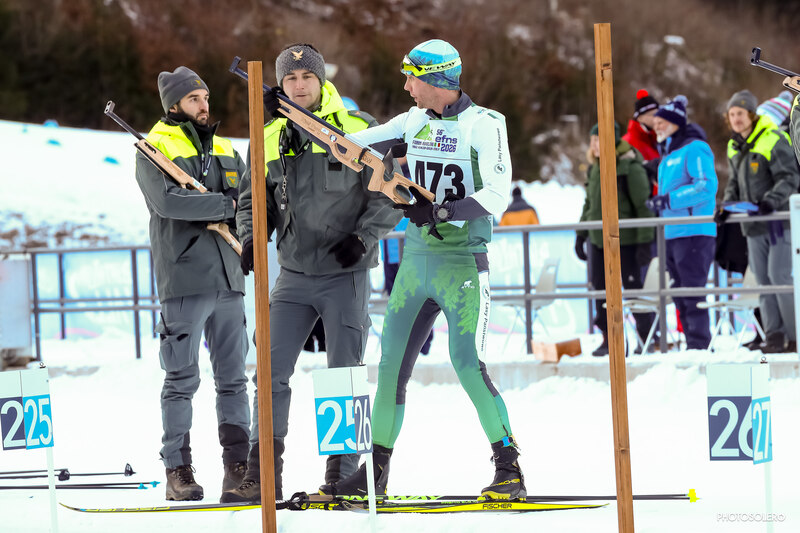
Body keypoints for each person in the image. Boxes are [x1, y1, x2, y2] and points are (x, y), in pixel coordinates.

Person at [319, 38, 525, 501]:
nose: (407, 87)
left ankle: (509, 468)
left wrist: (443, 211)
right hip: (416, 263)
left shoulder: (484, 124)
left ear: (437, 80)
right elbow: (351, 144)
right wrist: (306, 121)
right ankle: (375, 474)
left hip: (462, 262)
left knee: (467, 364)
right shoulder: (413, 120)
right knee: (390, 367)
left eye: (412, 78)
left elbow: (497, 195)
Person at [223, 43, 401, 503]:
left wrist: (364, 237)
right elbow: (252, 200)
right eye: (290, 79)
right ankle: (263, 473)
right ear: (281, 84)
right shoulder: (268, 135)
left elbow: (389, 194)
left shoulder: (359, 129)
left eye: (307, 77)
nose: (299, 85)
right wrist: (250, 237)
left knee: (344, 374)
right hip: (294, 275)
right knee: (269, 370)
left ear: (321, 81)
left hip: (346, 273)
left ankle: (342, 476)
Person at [134, 66, 250, 501]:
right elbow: (168, 202)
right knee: (181, 379)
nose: (204, 105)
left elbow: (249, 201)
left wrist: (239, 218)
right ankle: (177, 470)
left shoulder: (225, 147)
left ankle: (238, 467)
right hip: (184, 278)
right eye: (194, 99)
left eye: (205, 97)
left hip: (230, 277)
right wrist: (225, 205)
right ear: (174, 105)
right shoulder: (155, 146)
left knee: (234, 378)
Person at [717, 90, 798, 353]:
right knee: (762, 280)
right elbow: (734, 183)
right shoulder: (734, 145)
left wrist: (771, 201)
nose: (736, 119)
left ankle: (794, 336)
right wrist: (726, 206)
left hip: (777, 223)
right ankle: (773, 336)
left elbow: (789, 177)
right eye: (732, 114)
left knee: (779, 276)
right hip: (752, 225)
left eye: (740, 113)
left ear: (752, 115)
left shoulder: (773, 138)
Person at [575, 122, 655, 356]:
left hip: (626, 241)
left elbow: (643, 207)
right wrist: (581, 234)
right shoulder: (594, 168)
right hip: (598, 241)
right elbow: (589, 205)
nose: (594, 145)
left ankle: (647, 337)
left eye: (598, 139)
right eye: (592, 140)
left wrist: (644, 242)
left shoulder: (630, 167)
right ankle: (609, 339)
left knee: (633, 289)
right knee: (600, 290)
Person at [646, 96, 718, 351]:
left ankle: (700, 345)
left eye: (662, 122)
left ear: (676, 122)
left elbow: (706, 186)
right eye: (655, 122)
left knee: (692, 291)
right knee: (679, 294)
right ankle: (691, 343)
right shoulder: (668, 155)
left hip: (694, 231)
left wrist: (669, 200)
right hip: (672, 233)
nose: (656, 126)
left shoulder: (695, 147)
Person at [381, 218, 434, 354]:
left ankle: (424, 342)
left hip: (412, 255)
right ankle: (404, 343)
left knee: (418, 301)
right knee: (397, 304)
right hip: (391, 257)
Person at [621, 89, 660, 194]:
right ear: (640, 118)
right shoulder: (628, 143)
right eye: (652, 115)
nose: (657, 118)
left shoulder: (659, 140)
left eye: (658, 113)